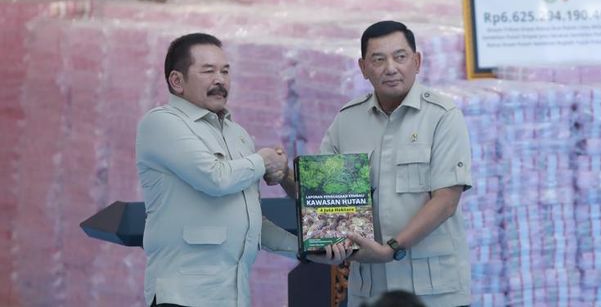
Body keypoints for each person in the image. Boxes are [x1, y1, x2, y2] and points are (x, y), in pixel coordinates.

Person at [311, 21, 473, 307]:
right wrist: (331, 243)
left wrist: (391, 248)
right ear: (362, 68)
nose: (390, 68)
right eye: (378, 59)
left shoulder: (442, 116)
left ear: (417, 61)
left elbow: (447, 200)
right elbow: (323, 196)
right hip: (372, 289)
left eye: (400, 57)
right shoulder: (347, 121)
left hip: (434, 291)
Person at [136, 33, 297, 307]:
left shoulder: (239, 135)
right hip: (183, 298)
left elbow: (251, 222)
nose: (220, 80)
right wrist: (263, 162)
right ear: (177, 81)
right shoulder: (161, 123)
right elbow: (215, 178)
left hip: (233, 297)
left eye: (225, 71)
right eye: (208, 71)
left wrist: (305, 249)